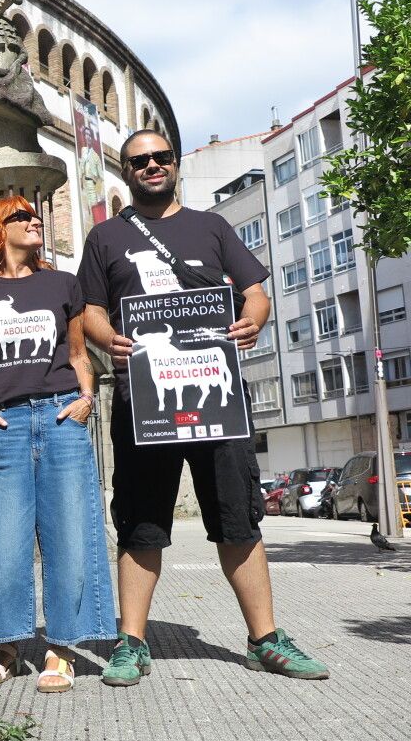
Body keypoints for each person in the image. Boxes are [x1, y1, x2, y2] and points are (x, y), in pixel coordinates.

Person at [77, 129, 329, 685]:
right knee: (141, 521)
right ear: (126, 172)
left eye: (160, 158)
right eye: (139, 160)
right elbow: (91, 309)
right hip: (144, 397)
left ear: (175, 164)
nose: (151, 166)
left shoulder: (212, 227)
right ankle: (132, 643)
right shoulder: (105, 238)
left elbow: (256, 291)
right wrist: (107, 338)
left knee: (238, 517)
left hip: (218, 397)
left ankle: (266, 638)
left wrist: (254, 319)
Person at [0, 196, 116, 694]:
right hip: (2, 426)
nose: (34, 221)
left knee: (71, 533)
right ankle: (5, 643)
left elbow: (76, 351)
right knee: (2, 540)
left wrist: (87, 397)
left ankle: (61, 646)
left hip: (61, 415)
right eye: (21, 216)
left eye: (36, 215)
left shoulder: (63, 284)